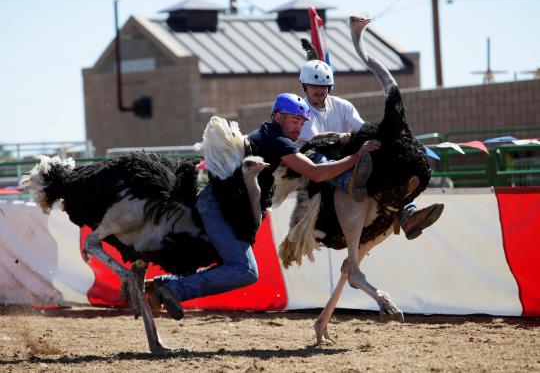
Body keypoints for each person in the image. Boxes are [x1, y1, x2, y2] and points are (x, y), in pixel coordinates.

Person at [151, 93, 377, 319]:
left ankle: (164, 284)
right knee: (244, 271)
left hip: (223, 207)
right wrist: (356, 157)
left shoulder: (270, 134)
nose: (298, 128)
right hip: (218, 209)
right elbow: (316, 173)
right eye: (294, 121)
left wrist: (340, 139)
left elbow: (314, 142)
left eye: (301, 123)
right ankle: (174, 289)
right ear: (278, 116)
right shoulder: (277, 140)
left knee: (232, 266)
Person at [296, 59, 444, 240]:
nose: (319, 90)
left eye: (324, 86)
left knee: (377, 151)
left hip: (343, 154)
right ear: (305, 86)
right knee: (321, 157)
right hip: (313, 161)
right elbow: (314, 138)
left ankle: (408, 212)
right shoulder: (300, 109)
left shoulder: (343, 106)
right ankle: (349, 181)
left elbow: (361, 128)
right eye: (314, 86)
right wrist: (340, 136)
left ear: (330, 86)